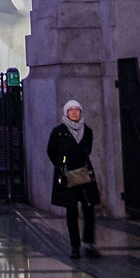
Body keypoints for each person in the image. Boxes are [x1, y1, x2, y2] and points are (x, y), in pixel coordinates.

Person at [47, 98, 100, 258]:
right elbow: (51, 151)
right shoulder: (59, 132)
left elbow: (87, 150)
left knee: (89, 209)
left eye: (77, 110)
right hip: (67, 174)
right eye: (71, 110)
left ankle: (89, 244)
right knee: (72, 212)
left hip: (84, 174)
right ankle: (75, 246)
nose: (75, 112)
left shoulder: (87, 131)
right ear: (66, 113)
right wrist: (61, 164)